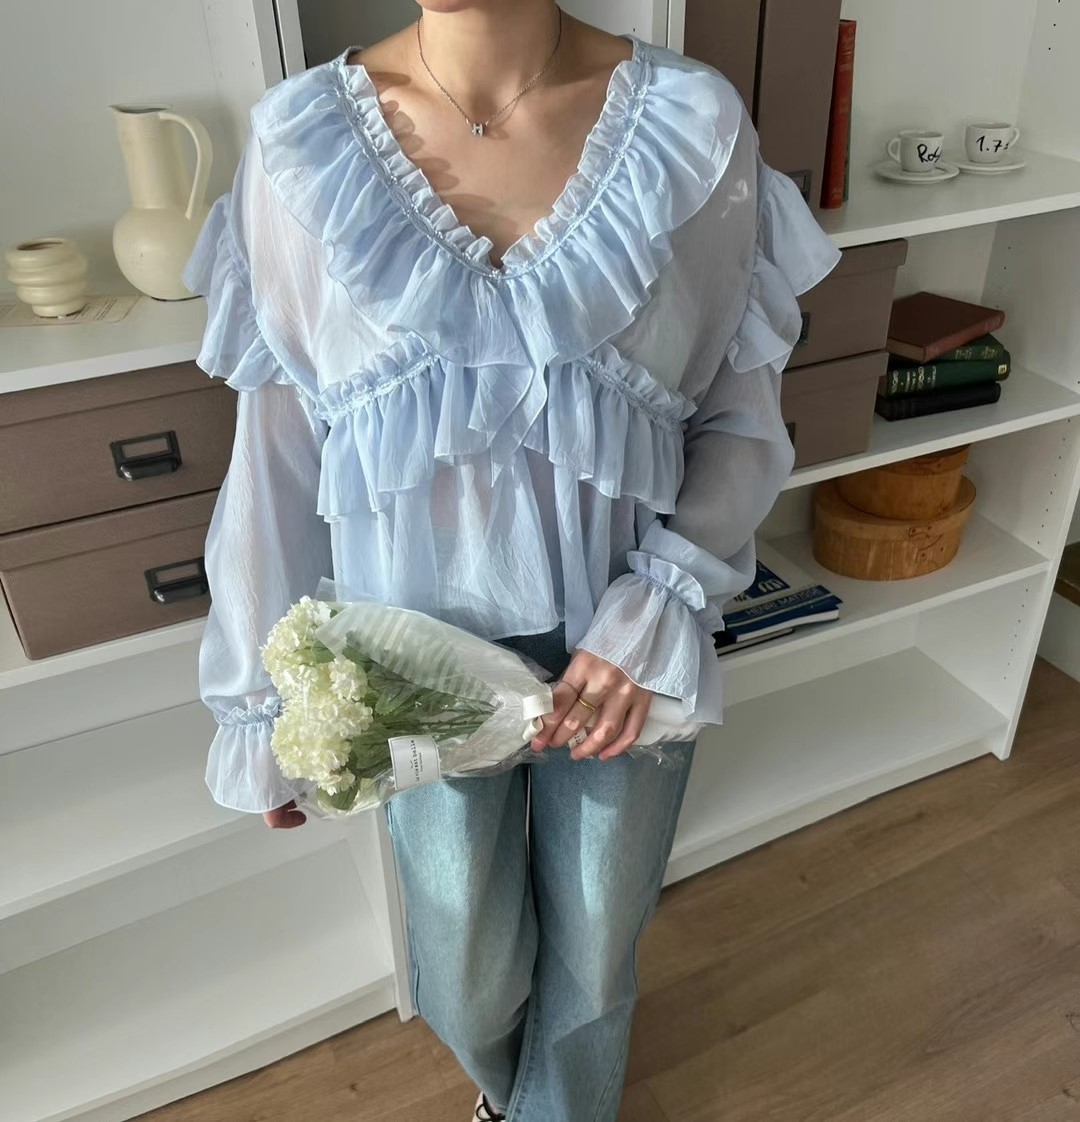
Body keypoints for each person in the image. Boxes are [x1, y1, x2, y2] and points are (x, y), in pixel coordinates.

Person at [186, 2, 839, 1119]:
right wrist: (257, 701)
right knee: (464, 972)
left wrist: (660, 600)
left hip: (619, 650)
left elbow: (738, 417)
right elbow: (277, 459)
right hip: (410, 665)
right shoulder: (300, 146)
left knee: (595, 952)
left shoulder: (691, 127)